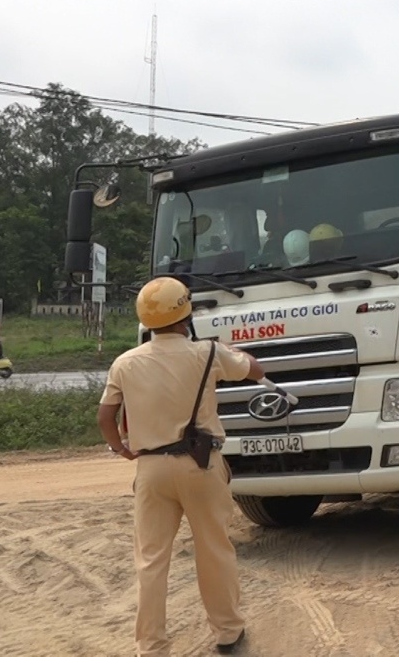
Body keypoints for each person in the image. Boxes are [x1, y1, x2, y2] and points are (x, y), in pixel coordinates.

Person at [97, 276, 266, 656]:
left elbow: (106, 416)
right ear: (185, 314)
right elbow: (255, 369)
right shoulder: (207, 353)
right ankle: (227, 632)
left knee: (151, 559)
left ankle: (151, 645)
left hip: (152, 469)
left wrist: (121, 449)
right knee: (214, 549)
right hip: (201, 465)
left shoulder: (125, 362)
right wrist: (225, 350)